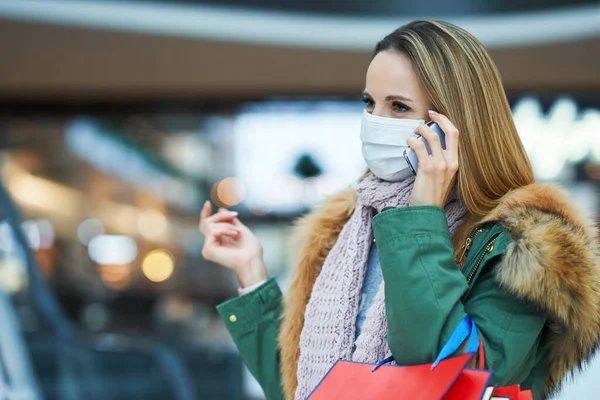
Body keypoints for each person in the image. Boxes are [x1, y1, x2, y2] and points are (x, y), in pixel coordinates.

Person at [199, 20, 600, 400]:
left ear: (454, 123)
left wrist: (422, 216)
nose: (376, 121)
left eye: (399, 107)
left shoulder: (519, 246)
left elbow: (458, 375)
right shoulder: (347, 227)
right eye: (369, 103)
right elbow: (301, 383)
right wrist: (251, 272)